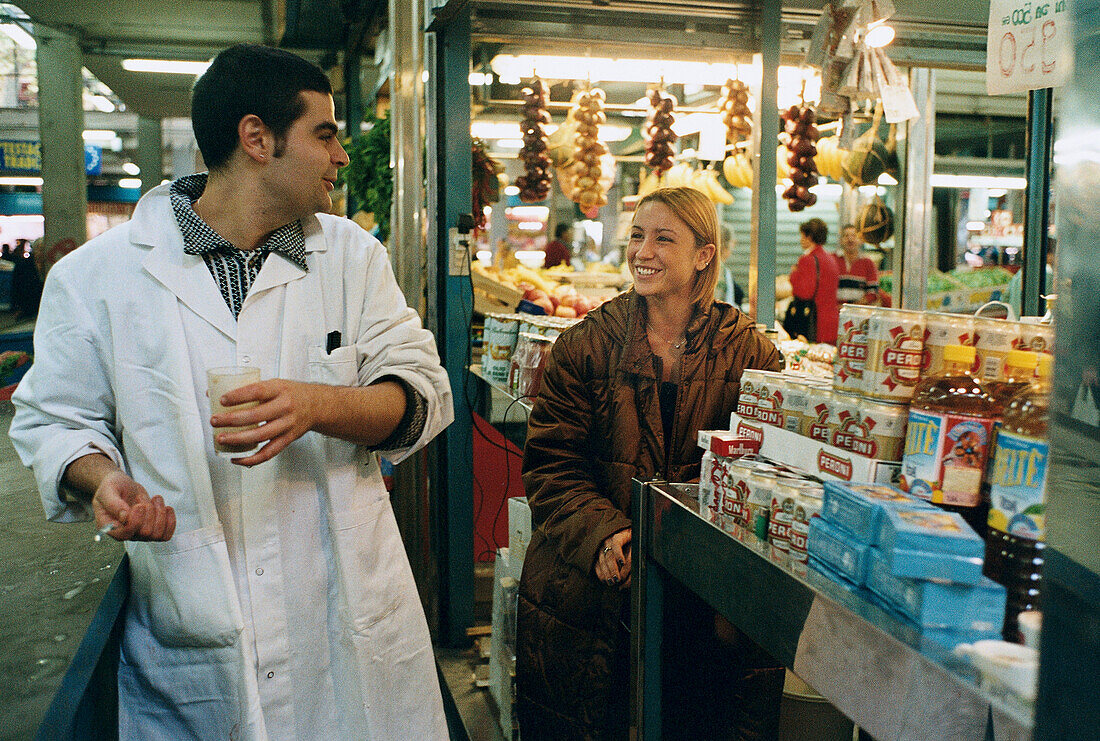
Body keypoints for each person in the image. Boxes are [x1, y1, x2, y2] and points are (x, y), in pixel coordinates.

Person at [10, 44, 453, 739]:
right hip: (194, 622)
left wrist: (317, 404)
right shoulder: (96, 278)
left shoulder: (353, 257)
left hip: (342, 627)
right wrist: (101, 481)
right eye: (325, 134)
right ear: (256, 138)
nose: (341, 157)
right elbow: (54, 421)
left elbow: (424, 394)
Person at [516, 187, 784, 740]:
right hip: (596, 586)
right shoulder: (585, 346)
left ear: (703, 255)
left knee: (699, 720)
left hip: (704, 594)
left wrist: (687, 539)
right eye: (638, 235)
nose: (644, 250)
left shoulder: (751, 355)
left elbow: (764, 467)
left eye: (665, 238)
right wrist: (605, 532)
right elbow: (551, 463)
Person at [788, 217, 840, 344]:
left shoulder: (807, 259)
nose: (801, 240)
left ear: (809, 237)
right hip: (832, 321)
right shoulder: (831, 258)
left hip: (814, 322)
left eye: (802, 236)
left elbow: (804, 292)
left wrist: (794, 274)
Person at [834, 223, 887, 307]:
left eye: (854, 236)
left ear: (861, 240)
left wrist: (853, 308)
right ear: (840, 240)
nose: (850, 239)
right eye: (846, 236)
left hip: (859, 315)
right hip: (835, 313)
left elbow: (873, 292)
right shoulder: (832, 260)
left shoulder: (868, 263)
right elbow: (825, 289)